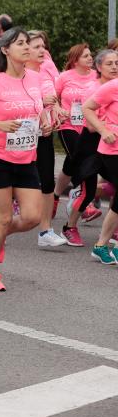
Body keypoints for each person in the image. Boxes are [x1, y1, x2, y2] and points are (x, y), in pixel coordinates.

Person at [0, 28, 52, 292]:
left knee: (32, 217)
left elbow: (39, 111)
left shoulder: (36, 78)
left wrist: (45, 124)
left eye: (28, 43)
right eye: (21, 44)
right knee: (4, 218)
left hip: (26, 157)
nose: (27, 47)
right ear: (5, 49)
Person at [64, 50, 118, 257]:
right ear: (98, 67)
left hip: (111, 144)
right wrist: (106, 128)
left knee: (113, 186)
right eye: (109, 63)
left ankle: (109, 235)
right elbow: (90, 122)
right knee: (88, 189)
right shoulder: (93, 89)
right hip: (91, 143)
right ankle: (70, 226)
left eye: (117, 63)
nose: (114, 67)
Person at [24, 31, 68, 247]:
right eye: (36, 47)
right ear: (25, 49)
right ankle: (1, 225)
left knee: (47, 181)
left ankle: (45, 231)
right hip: (21, 135)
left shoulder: (46, 71)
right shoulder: (18, 74)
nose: (42, 50)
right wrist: (42, 102)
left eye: (43, 46)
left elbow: (52, 98)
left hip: (44, 133)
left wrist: (57, 111)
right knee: (21, 183)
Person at [55, 44, 101, 244]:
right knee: (84, 171)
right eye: (85, 56)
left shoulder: (97, 78)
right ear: (75, 60)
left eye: (91, 55)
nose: (90, 58)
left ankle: (57, 196)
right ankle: (72, 220)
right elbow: (51, 99)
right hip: (69, 127)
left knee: (73, 164)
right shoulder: (65, 77)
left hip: (92, 130)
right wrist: (59, 110)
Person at [82, 55, 118, 264]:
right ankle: (102, 245)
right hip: (112, 150)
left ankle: (102, 245)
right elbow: (87, 107)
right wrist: (103, 129)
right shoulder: (113, 86)